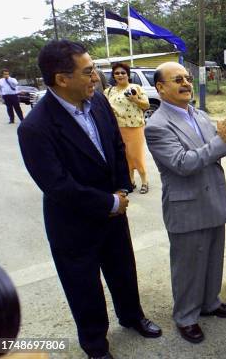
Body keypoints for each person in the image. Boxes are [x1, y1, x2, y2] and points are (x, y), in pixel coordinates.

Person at [17, 40, 161, 359]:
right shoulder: (35, 127)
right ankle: (96, 345)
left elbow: (116, 145)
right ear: (62, 79)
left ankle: (132, 316)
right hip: (74, 223)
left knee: (123, 269)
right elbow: (57, 186)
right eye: (89, 71)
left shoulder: (97, 103)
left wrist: (123, 188)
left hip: (114, 210)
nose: (97, 77)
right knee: (84, 287)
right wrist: (109, 203)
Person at [145, 62, 226, 344]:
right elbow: (183, 163)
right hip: (186, 204)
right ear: (160, 88)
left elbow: (216, 149)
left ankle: (210, 302)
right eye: (177, 80)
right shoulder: (157, 126)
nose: (186, 83)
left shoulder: (198, 113)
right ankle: (185, 316)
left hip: (212, 197)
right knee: (188, 266)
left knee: (212, 257)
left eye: (187, 78)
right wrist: (223, 141)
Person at [105, 62, 150, 194]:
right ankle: (131, 181)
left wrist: (135, 99)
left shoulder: (135, 88)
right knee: (124, 157)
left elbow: (146, 105)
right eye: (117, 73)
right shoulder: (109, 91)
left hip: (134, 127)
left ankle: (144, 181)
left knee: (136, 155)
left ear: (128, 74)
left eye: (123, 72)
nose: (120, 75)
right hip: (117, 129)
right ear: (113, 76)